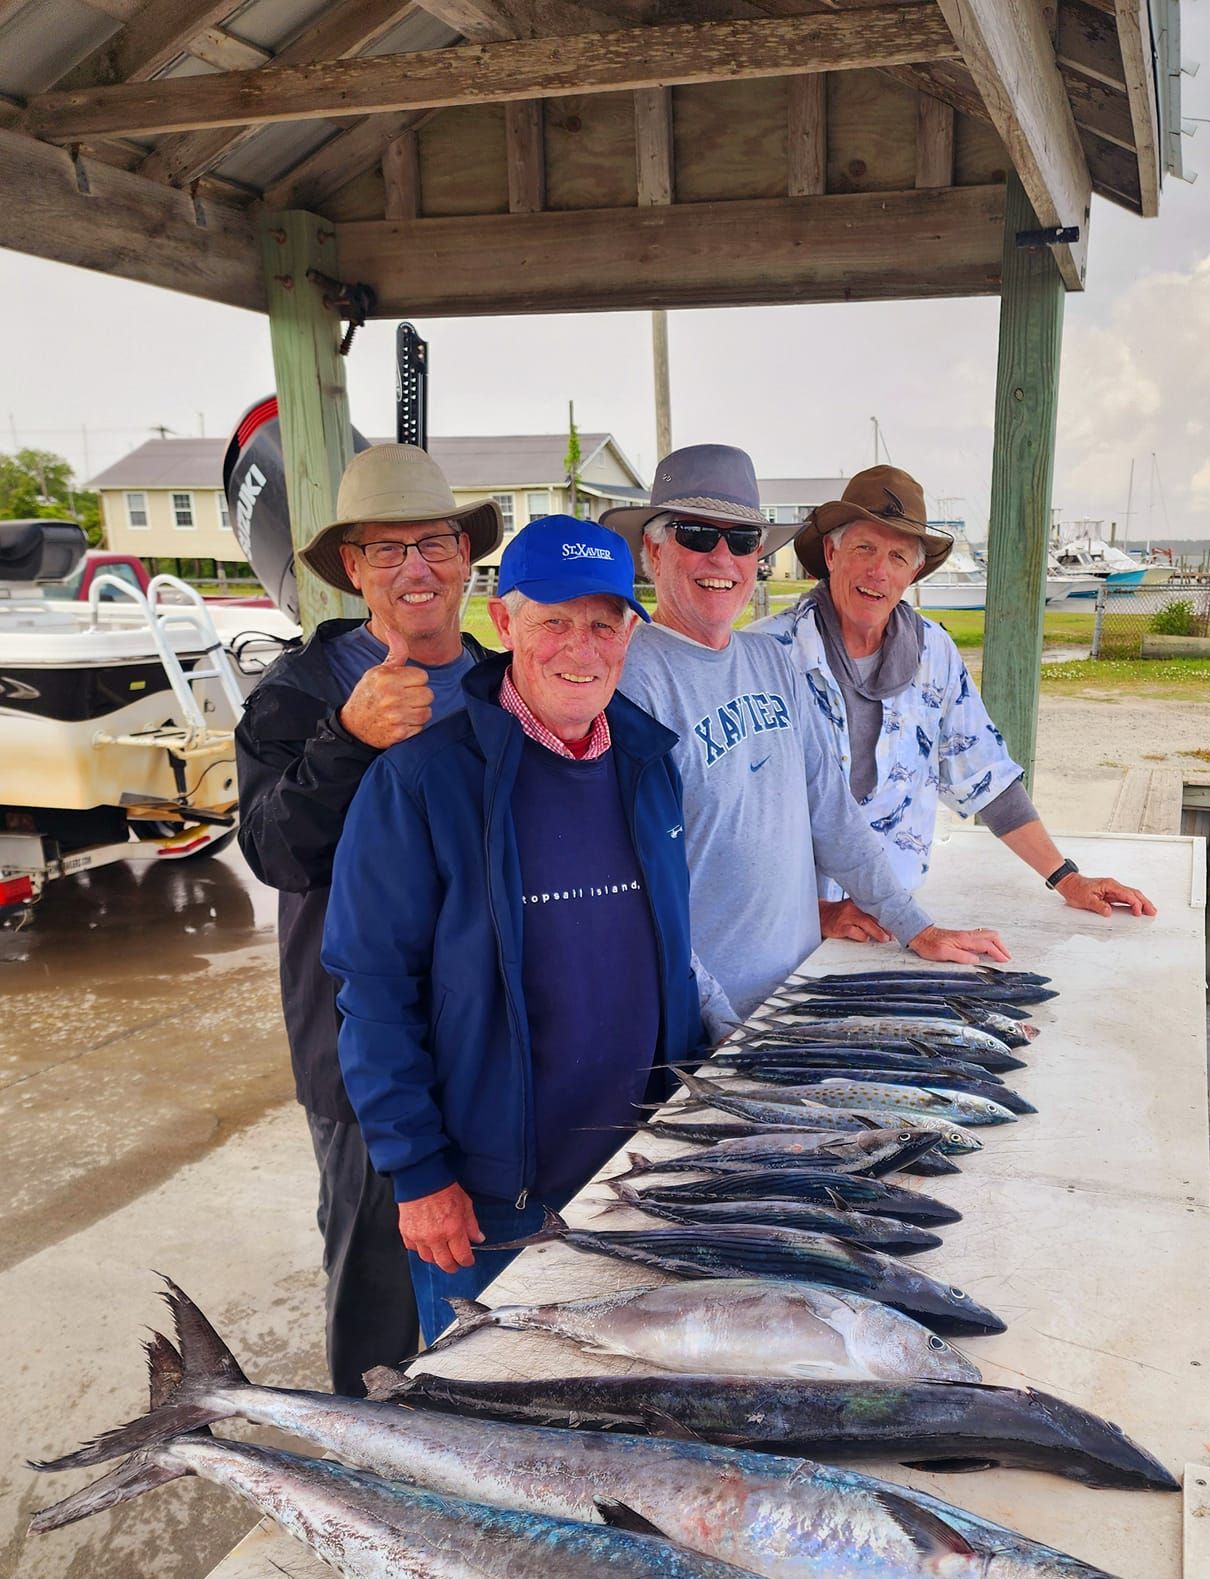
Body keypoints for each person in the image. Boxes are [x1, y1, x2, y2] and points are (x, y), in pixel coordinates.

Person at [322, 516, 707, 1344]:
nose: (582, 647)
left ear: (629, 633)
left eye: (603, 624)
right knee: (493, 1428)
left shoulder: (649, 763)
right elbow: (375, 998)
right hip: (492, 1203)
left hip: (643, 1180)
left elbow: (671, 957)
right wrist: (419, 1176)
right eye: (554, 622)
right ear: (502, 623)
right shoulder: (417, 784)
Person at [236, 444, 503, 1393]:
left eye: (434, 543)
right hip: (366, 1063)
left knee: (503, 1300)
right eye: (385, 553)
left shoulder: (507, 685)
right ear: (351, 568)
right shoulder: (300, 692)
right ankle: (373, 1490)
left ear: (468, 555)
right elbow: (274, 851)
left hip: (504, 1053)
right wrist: (347, 740)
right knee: (383, 1314)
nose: (416, 570)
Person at [600, 446, 1009, 1016]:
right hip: (707, 1029)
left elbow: (830, 812)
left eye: (742, 541)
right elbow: (630, 890)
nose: (722, 558)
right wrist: (716, 1030)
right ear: (653, 548)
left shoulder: (769, 661)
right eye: (697, 535)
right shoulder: (622, 682)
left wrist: (917, 929)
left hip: (801, 995)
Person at [752, 466, 1156, 927]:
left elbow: (985, 775)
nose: (877, 571)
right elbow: (730, 817)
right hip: (785, 927)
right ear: (830, 551)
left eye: (898, 557)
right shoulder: (765, 655)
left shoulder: (934, 652)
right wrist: (818, 914)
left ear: (915, 571)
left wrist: (1067, 879)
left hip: (896, 925)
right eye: (864, 547)